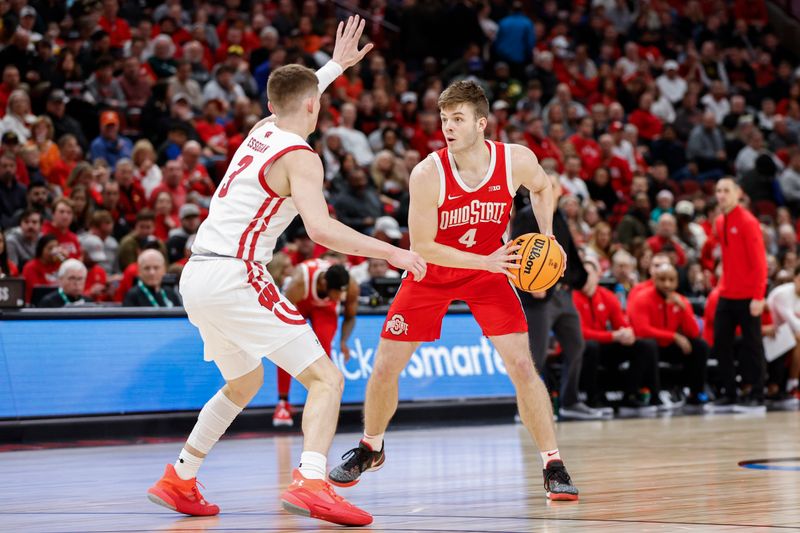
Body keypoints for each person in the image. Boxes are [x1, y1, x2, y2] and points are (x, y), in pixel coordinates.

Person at [146, 17, 425, 527]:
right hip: (236, 274)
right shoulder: (302, 157)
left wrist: (336, 66)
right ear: (314, 108)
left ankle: (180, 476)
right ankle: (312, 482)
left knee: (244, 381)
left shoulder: (261, 130)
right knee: (326, 380)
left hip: (197, 273)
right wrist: (392, 252)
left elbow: (297, 92)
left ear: (271, 105)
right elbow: (321, 231)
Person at [329, 80, 579, 501]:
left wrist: (549, 235)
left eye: (458, 119)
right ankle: (371, 446)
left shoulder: (514, 160)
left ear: (482, 123)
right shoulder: (428, 173)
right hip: (434, 270)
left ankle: (553, 463)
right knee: (386, 366)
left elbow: (542, 186)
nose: (448, 127)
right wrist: (486, 260)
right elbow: (422, 245)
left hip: (488, 272)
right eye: (444, 119)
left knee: (522, 365)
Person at [512, 172, 609, 420]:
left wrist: (587, 275)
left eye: (553, 185)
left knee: (576, 345)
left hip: (564, 295)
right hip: (539, 297)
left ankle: (569, 401)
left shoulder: (558, 218)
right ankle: (527, 409)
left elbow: (571, 256)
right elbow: (517, 252)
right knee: (537, 354)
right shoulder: (526, 217)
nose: (547, 188)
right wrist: (530, 285)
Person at [273, 258, 359, 427]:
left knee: (324, 347)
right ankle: (283, 404)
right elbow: (283, 317)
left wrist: (343, 342)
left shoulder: (351, 286)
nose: (338, 298)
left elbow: (349, 317)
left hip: (324, 310)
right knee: (286, 346)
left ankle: (322, 403)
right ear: (323, 283)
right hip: (299, 303)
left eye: (340, 294)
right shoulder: (299, 282)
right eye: (335, 294)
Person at [574, 258, 660, 416]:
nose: (583, 278)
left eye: (587, 274)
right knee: (590, 346)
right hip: (580, 349)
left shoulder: (607, 296)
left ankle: (631, 395)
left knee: (646, 345)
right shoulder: (573, 297)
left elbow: (621, 323)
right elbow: (581, 333)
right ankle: (592, 399)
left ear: (597, 276)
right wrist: (614, 335)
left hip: (604, 346)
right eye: (580, 274)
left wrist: (627, 333)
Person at [711, 178, 768, 411]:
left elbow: (760, 262)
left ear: (738, 193)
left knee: (752, 345)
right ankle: (730, 393)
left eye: (726, 190)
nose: (721, 195)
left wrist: (758, 295)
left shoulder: (748, 222)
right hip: (727, 293)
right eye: (718, 191)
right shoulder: (719, 221)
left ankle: (757, 393)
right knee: (721, 343)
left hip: (748, 295)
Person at [628, 265, 710, 413]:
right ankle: (654, 395)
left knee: (700, 346)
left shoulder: (681, 300)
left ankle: (695, 393)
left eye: (671, 280)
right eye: (662, 279)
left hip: (670, 346)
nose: (667, 284)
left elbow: (693, 332)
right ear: (654, 280)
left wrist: (684, 309)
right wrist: (674, 336)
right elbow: (642, 330)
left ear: (677, 282)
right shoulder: (642, 298)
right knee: (648, 345)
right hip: (650, 347)